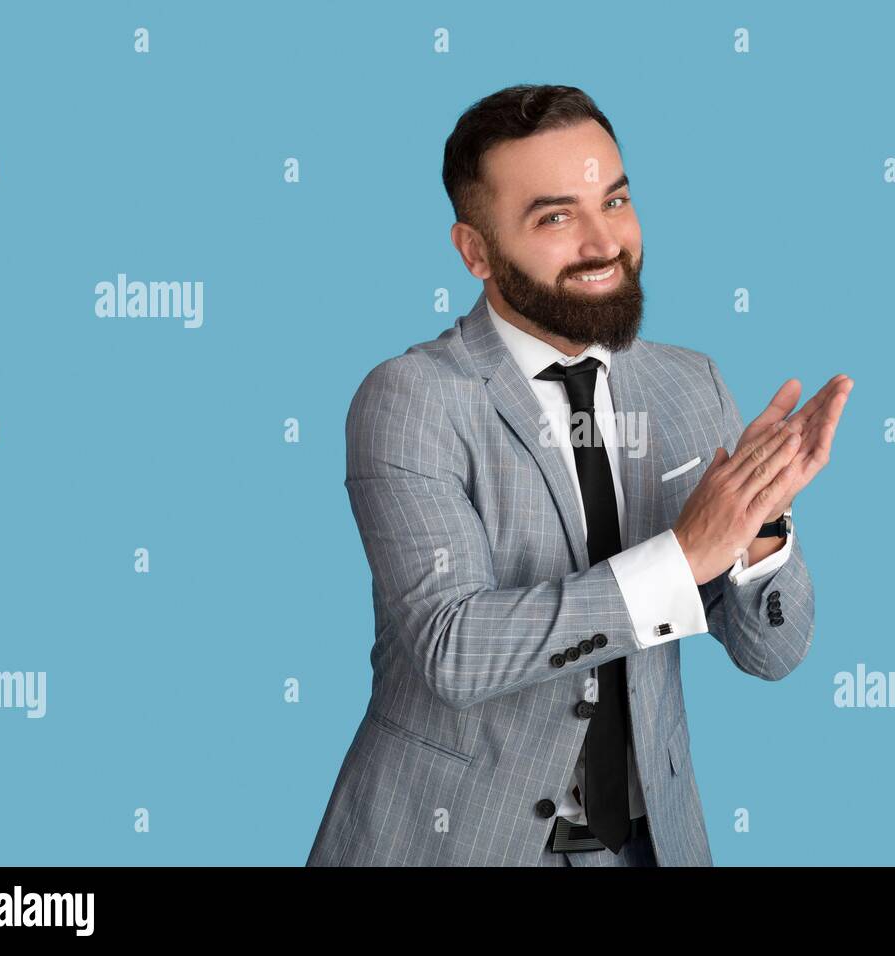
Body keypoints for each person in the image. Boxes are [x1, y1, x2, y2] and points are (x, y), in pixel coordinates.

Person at [306, 84, 852, 867]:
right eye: (555, 217)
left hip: (646, 847)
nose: (604, 243)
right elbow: (453, 650)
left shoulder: (689, 385)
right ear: (475, 252)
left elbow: (773, 654)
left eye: (616, 201)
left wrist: (760, 524)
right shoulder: (412, 399)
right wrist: (682, 558)